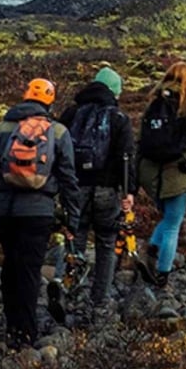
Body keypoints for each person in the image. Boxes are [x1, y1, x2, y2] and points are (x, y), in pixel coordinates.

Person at [0, 78, 79, 349]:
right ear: (50, 101)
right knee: (30, 271)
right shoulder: (58, 132)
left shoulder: (1, 128)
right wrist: (73, 220)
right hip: (38, 212)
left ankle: (12, 328)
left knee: (11, 265)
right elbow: (69, 180)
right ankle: (26, 335)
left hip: (2, 211)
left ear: (25, 96)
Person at [52, 67, 134, 317]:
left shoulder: (72, 113)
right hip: (107, 190)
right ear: (115, 92)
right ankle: (99, 301)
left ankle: (65, 292)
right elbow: (126, 158)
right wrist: (129, 192)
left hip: (75, 187)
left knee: (74, 239)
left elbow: (57, 150)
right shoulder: (119, 118)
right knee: (106, 244)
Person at [135, 61, 186, 288]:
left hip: (150, 173)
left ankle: (151, 252)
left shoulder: (154, 103)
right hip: (176, 171)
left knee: (167, 217)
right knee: (173, 223)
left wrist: (136, 175)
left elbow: (141, 139)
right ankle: (162, 274)